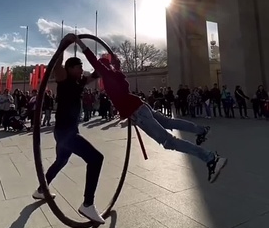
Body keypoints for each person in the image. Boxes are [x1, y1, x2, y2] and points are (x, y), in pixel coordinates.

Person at [75, 36, 227, 184]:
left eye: (98, 70)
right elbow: (110, 65)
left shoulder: (108, 75)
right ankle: (202, 130)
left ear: (103, 69)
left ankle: (211, 158)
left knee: (169, 142)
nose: (97, 73)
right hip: (142, 107)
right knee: (169, 122)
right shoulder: (116, 73)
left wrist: (79, 43)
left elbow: (94, 61)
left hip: (139, 113)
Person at [32, 33, 105, 224]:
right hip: (66, 132)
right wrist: (65, 43)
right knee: (96, 159)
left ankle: (41, 190)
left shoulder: (80, 82)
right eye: (80, 67)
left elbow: (97, 74)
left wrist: (108, 63)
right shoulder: (63, 78)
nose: (82, 70)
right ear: (71, 68)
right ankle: (88, 204)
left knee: (61, 161)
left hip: (67, 132)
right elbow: (58, 63)